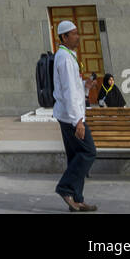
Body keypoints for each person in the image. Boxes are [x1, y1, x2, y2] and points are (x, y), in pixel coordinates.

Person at [52, 19, 98, 212]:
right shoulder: (64, 58)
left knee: (76, 155)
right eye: (74, 33)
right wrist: (77, 121)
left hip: (69, 115)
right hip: (72, 118)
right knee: (88, 152)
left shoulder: (68, 56)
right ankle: (65, 188)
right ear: (64, 37)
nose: (78, 36)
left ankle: (77, 199)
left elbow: (75, 88)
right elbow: (69, 91)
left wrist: (86, 88)